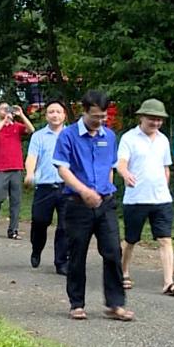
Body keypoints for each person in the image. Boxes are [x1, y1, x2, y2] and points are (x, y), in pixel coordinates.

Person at [53, 90, 134, 322]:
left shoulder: (108, 136)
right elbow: (62, 169)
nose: (100, 121)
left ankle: (116, 304)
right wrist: (84, 191)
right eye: (96, 116)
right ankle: (77, 303)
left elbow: (110, 166)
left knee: (112, 252)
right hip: (77, 204)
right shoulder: (68, 136)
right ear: (84, 111)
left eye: (103, 117)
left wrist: (105, 191)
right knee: (77, 254)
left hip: (105, 203)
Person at [117, 99, 174, 296]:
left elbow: (166, 167)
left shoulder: (163, 140)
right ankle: (123, 272)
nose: (155, 123)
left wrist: (165, 185)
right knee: (131, 239)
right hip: (136, 198)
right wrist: (125, 174)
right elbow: (120, 163)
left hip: (161, 199)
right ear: (141, 117)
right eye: (152, 119)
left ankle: (169, 282)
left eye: (159, 120)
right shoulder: (129, 138)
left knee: (165, 239)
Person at [24, 100, 69, 275]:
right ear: (46, 115)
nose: (55, 115)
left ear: (64, 114)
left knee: (65, 226)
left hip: (67, 187)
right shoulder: (39, 136)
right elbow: (32, 157)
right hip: (44, 186)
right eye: (51, 112)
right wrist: (30, 172)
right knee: (40, 221)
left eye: (58, 111)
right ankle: (36, 248)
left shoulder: (72, 135)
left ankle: (61, 262)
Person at [0, 101, 34, 239]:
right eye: (3, 109)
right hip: (0, 168)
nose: (6, 111)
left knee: (16, 200)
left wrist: (22, 115)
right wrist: (4, 121)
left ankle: (13, 230)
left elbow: (31, 130)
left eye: (8, 109)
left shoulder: (17, 127)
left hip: (16, 167)